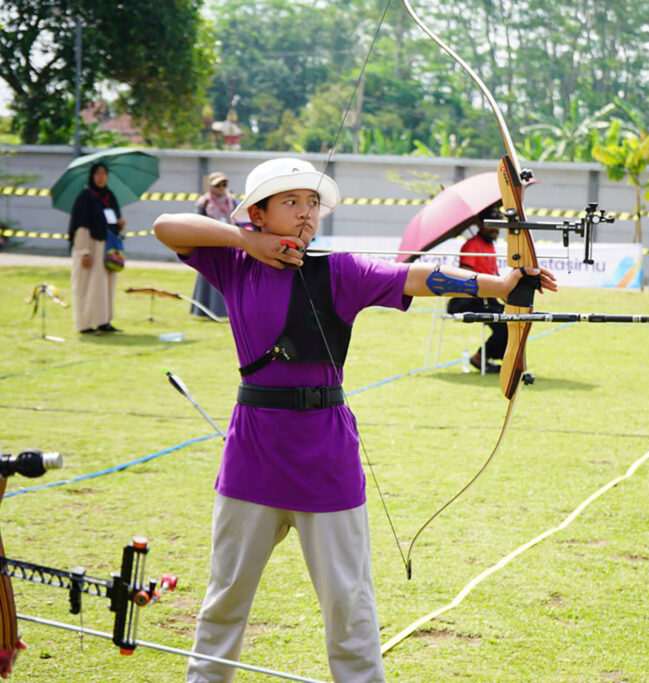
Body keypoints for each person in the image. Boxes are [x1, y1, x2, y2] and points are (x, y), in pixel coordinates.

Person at [152, 157, 555, 683]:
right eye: (291, 202)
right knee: (226, 598)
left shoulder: (338, 271)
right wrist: (246, 242)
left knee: (349, 605)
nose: (305, 214)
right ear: (257, 212)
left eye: (312, 203)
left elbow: (414, 276)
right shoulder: (234, 265)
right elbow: (165, 227)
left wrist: (499, 286)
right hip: (253, 455)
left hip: (327, 459)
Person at [68, 162, 124, 334]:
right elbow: (81, 227)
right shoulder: (86, 197)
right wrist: (83, 252)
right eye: (97, 174)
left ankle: (103, 321)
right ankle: (85, 324)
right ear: (92, 177)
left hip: (107, 247)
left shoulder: (110, 196)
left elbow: (113, 222)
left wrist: (121, 224)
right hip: (91, 246)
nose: (101, 178)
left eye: (104, 174)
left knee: (105, 287)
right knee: (88, 286)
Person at [446, 213, 506, 372]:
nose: (495, 228)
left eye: (498, 224)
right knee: (508, 323)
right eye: (491, 224)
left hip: (486, 298)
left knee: (516, 319)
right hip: (468, 300)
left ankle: (485, 357)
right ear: (479, 224)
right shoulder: (472, 246)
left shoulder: (489, 246)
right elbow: (464, 278)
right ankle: (480, 358)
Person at [190, 172, 239, 319]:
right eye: (218, 185)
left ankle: (225, 310)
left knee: (227, 275)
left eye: (224, 185)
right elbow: (197, 222)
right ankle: (204, 310)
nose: (221, 188)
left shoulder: (232, 202)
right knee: (208, 275)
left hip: (228, 242)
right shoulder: (203, 202)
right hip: (209, 242)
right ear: (211, 186)